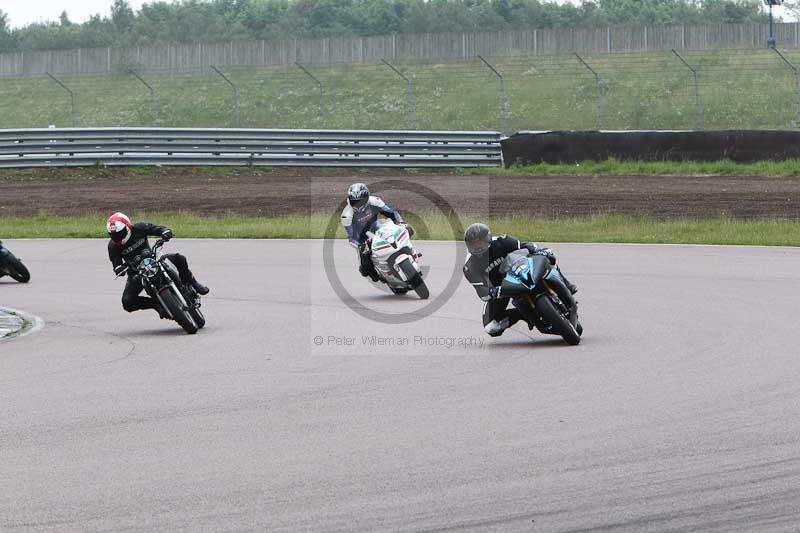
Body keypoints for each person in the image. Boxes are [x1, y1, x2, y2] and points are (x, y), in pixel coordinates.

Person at [462, 222, 577, 337]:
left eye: (480, 242)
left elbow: (526, 247)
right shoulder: (469, 266)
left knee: (548, 258)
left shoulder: (502, 241)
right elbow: (481, 291)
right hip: (502, 288)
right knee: (491, 327)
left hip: (521, 270)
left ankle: (567, 284)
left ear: (488, 238)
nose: (477, 247)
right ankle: (521, 314)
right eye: (473, 244)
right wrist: (491, 292)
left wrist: (541, 251)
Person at [106, 212, 209, 315]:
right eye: (114, 235)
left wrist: (165, 232)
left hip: (154, 259)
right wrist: (119, 268)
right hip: (137, 273)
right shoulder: (113, 246)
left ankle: (193, 283)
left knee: (179, 258)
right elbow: (117, 265)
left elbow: (157, 229)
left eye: (120, 233)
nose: (117, 237)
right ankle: (155, 304)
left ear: (128, 227)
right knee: (127, 302)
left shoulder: (139, 228)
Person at [340, 183, 408, 282]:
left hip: (378, 229)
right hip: (363, 240)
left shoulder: (375, 201)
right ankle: (383, 276)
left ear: (367, 197)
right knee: (365, 270)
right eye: (355, 201)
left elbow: (391, 213)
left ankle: (410, 253)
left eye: (361, 201)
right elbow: (351, 236)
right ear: (349, 200)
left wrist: (400, 223)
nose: (358, 204)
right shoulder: (346, 215)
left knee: (403, 231)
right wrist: (360, 245)